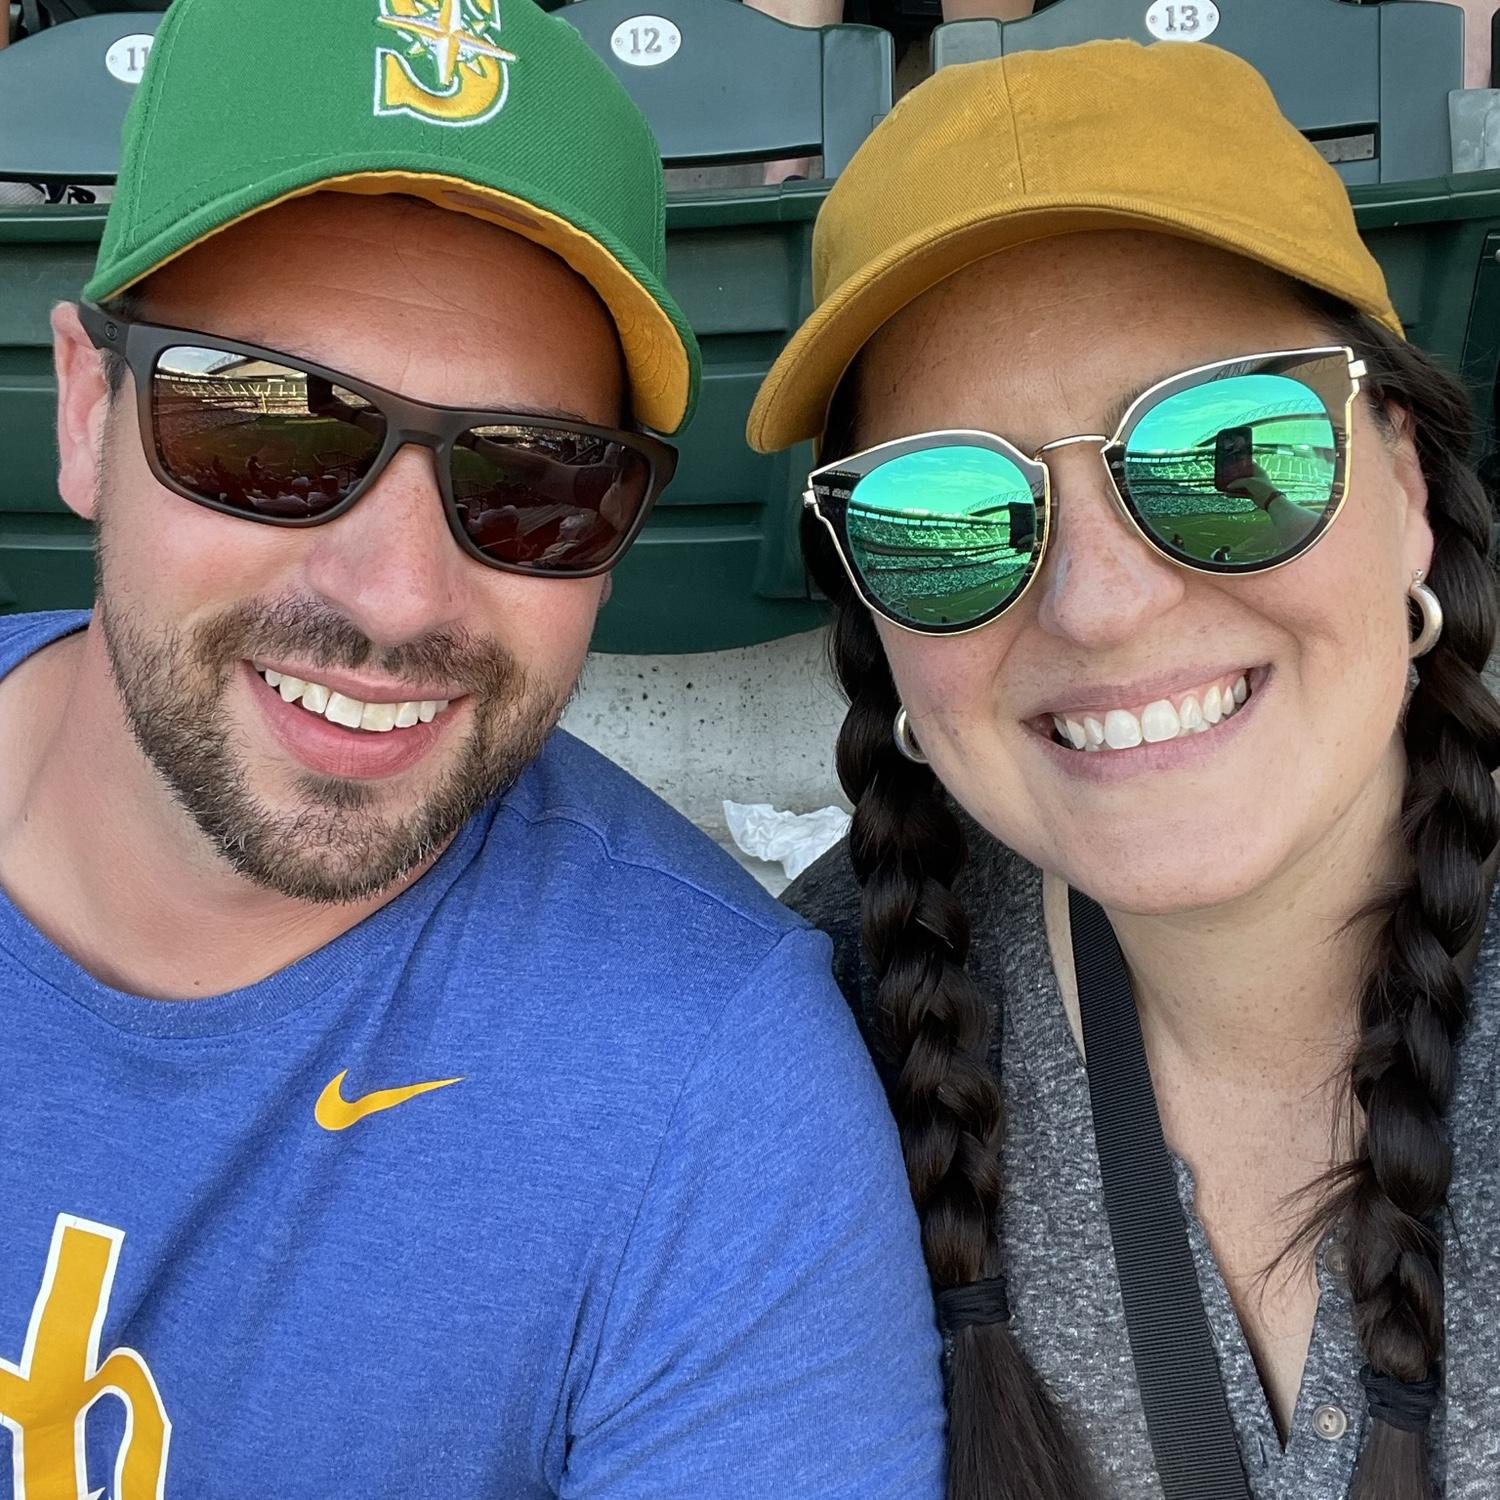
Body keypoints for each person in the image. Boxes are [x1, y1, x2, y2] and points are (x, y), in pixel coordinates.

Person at [0, 0, 949, 1494]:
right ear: (83, 411)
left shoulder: (712, 1092)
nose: (396, 599)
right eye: (271, 432)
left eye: (536, 481)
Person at [748, 39, 1500, 1500]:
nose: (1100, 605)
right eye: (945, 507)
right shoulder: (814, 1034)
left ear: (1405, 486)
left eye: (1228, 449)